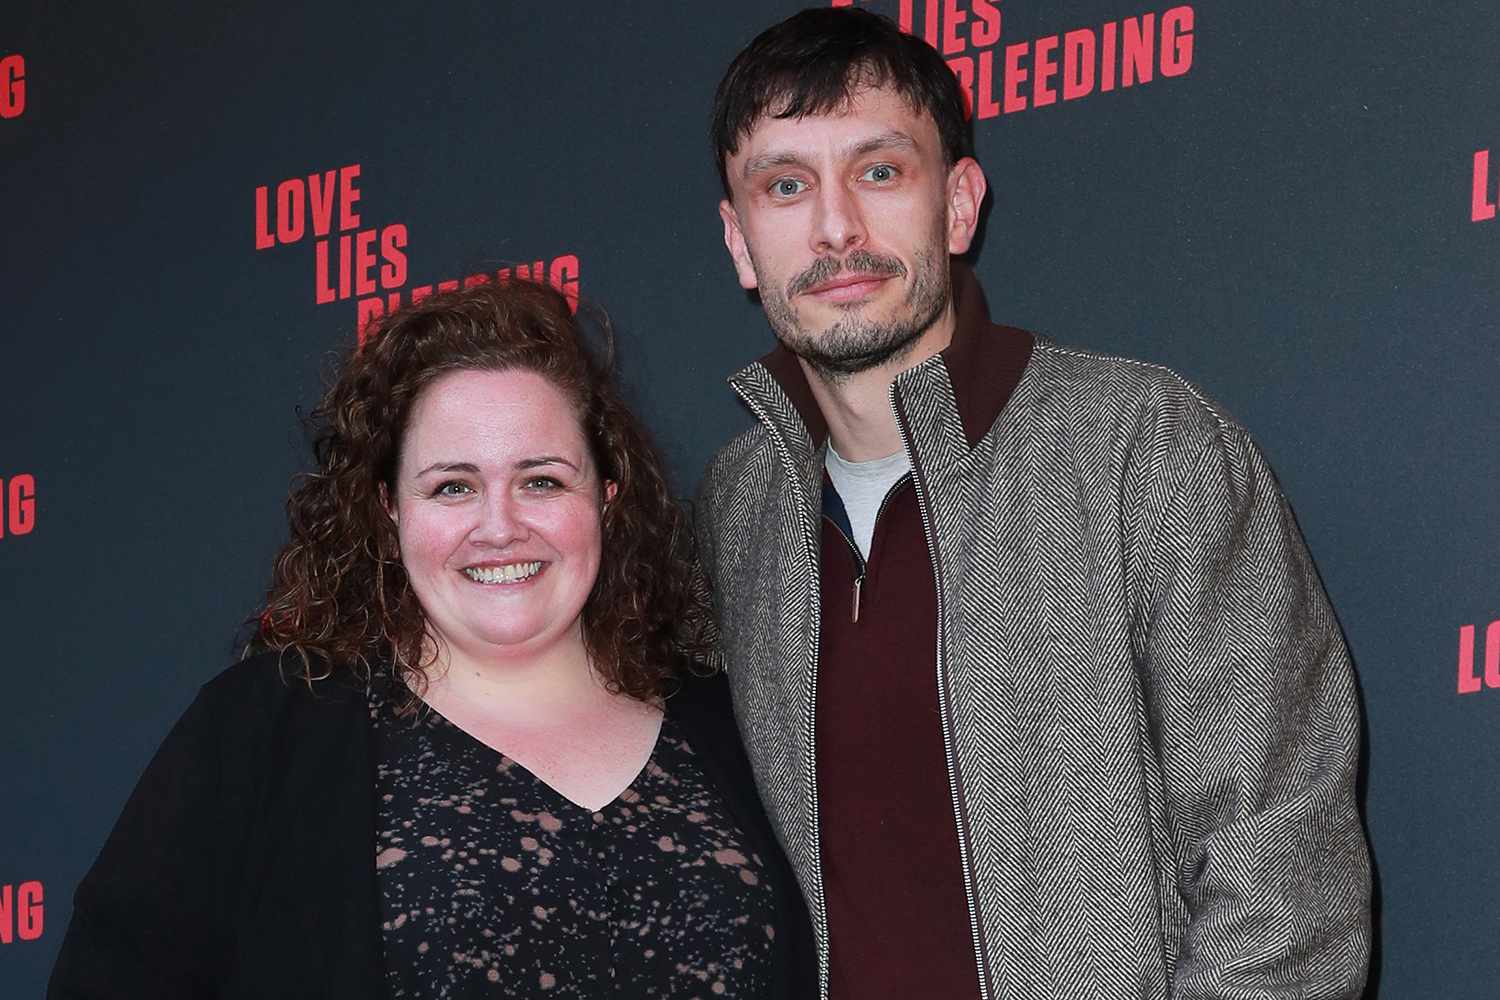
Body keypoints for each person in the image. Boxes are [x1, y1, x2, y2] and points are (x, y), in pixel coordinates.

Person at [694, 8, 1371, 999]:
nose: (836, 227)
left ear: (960, 204)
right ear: (740, 241)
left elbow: (1285, 884)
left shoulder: (1146, 448)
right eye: (785, 185)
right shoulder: (729, 514)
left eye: (880, 170)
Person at [48, 280, 815, 999]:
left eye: (542, 479)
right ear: (388, 510)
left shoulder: (734, 722)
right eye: (452, 486)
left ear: (607, 497)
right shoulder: (266, 729)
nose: (499, 525)